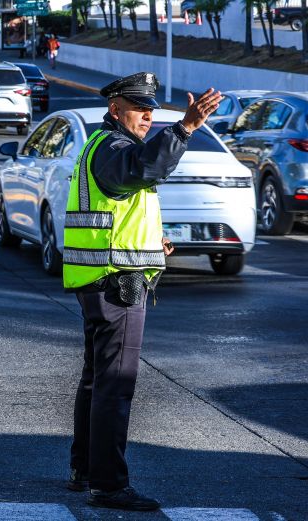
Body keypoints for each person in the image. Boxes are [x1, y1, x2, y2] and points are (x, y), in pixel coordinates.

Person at [62, 72, 222, 511]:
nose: (149, 116)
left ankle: (84, 470)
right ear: (115, 110)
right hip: (118, 284)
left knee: (97, 380)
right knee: (115, 384)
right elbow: (143, 168)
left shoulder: (104, 145)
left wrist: (155, 243)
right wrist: (184, 128)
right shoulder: (114, 148)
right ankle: (109, 486)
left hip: (101, 278)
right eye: (140, 108)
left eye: (152, 109)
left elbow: (121, 212)